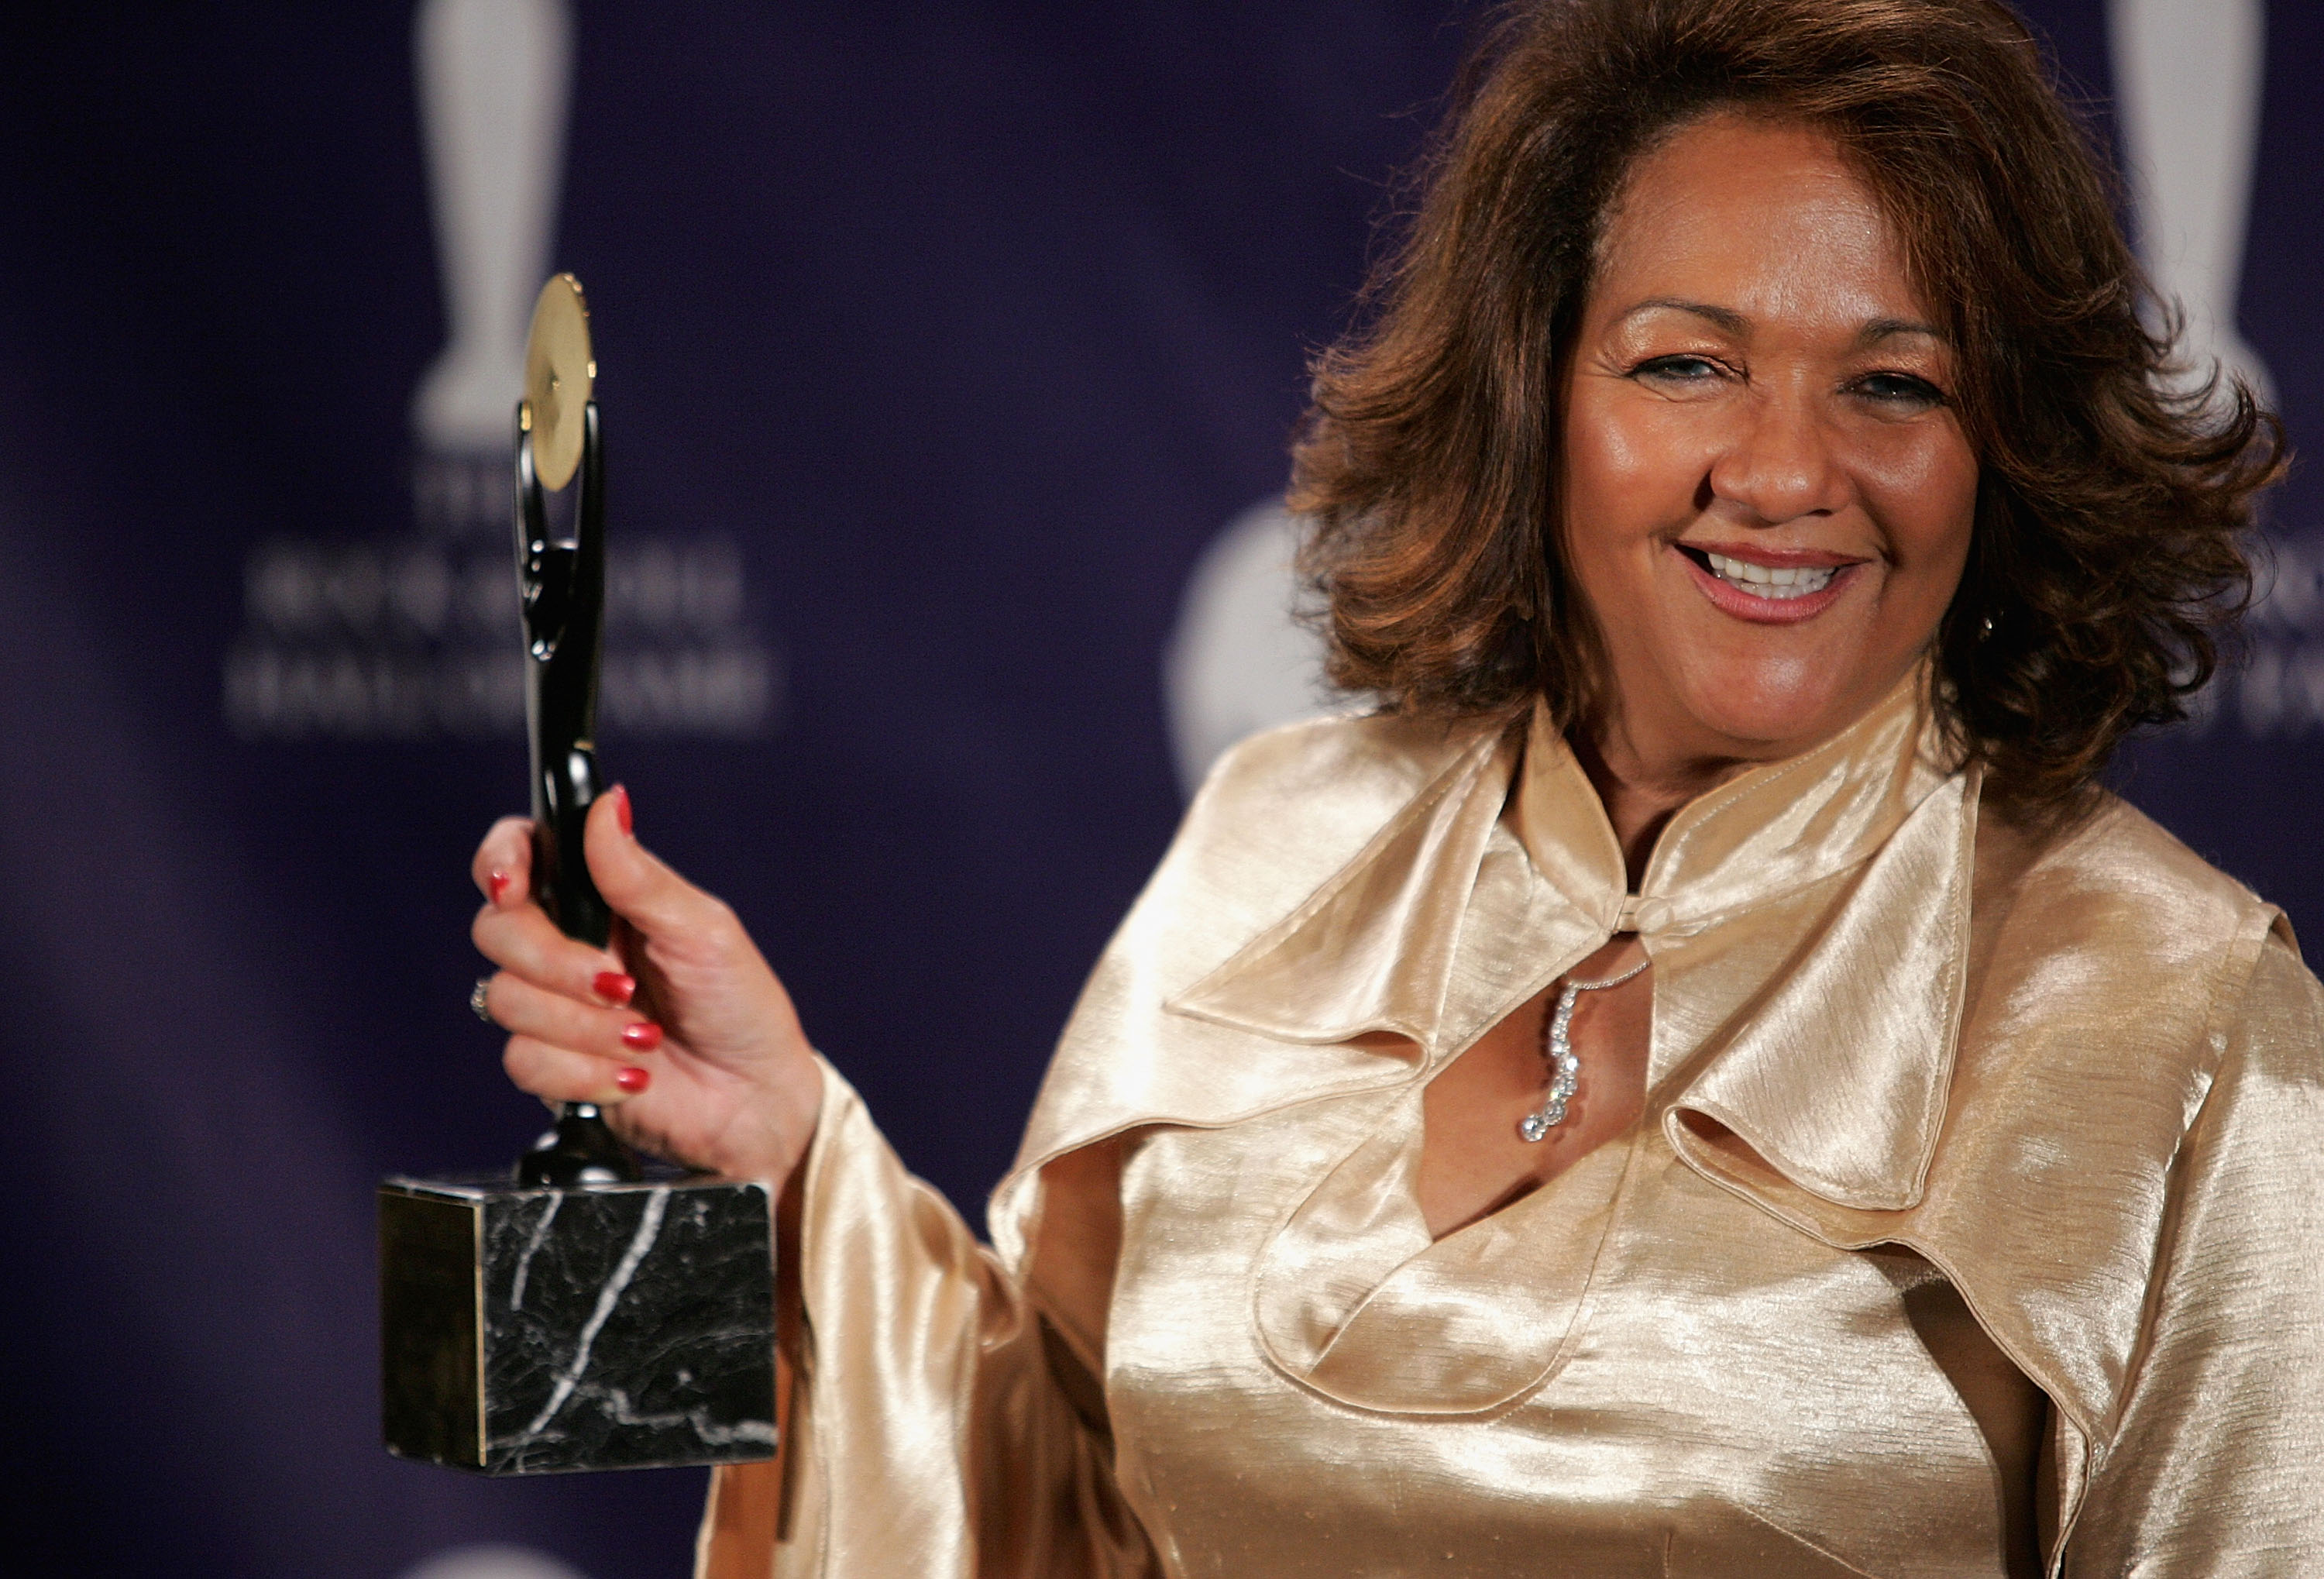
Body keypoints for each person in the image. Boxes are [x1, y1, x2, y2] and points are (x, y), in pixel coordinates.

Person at [468, 1, 2316, 1573]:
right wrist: (788, 1161)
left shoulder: (2185, 1014)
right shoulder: (1279, 834)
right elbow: (1053, 1514)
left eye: (1894, 386)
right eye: (1687, 363)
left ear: (2004, 445)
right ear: (1536, 399)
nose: (1784, 468)